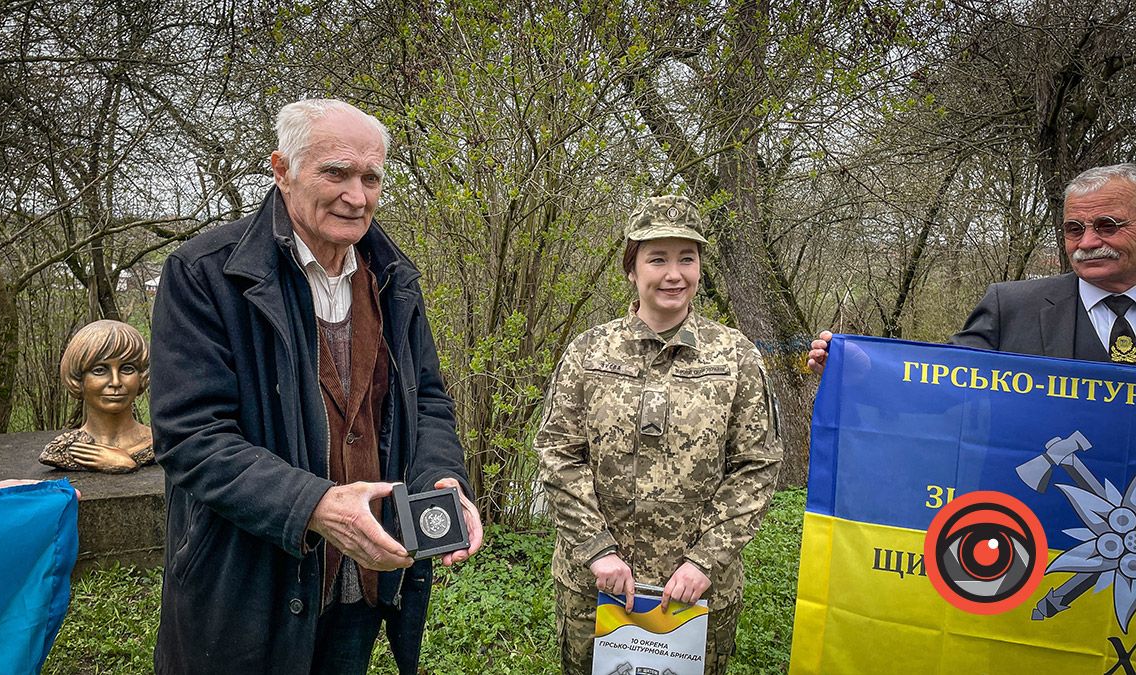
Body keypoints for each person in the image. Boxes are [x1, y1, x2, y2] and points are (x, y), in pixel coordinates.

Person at [150, 99, 482, 675]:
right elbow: (191, 437)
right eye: (337, 173)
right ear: (282, 170)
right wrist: (317, 506)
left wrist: (439, 479)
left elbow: (426, 401)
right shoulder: (206, 272)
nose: (358, 195)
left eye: (371, 177)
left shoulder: (393, 278)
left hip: (362, 589)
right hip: (248, 589)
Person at [535, 195, 784, 674]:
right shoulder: (588, 352)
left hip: (695, 593)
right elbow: (557, 453)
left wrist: (703, 561)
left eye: (686, 259)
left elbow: (757, 465)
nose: (674, 274)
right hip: (597, 590)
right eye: (658, 259)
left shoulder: (735, 356)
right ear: (632, 269)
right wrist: (596, 551)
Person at [808, 163, 1136, 372]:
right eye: (1074, 229)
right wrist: (856, 370)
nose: (1088, 242)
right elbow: (937, 383)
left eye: (1107, 226)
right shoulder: (1011, 308)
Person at [40, 319, 154, 473]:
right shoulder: (64, 450)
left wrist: (128, 464)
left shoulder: (161, 443)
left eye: (127, 369)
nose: (115, 382)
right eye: (100, 370)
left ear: (141, 376)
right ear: (78, 379)